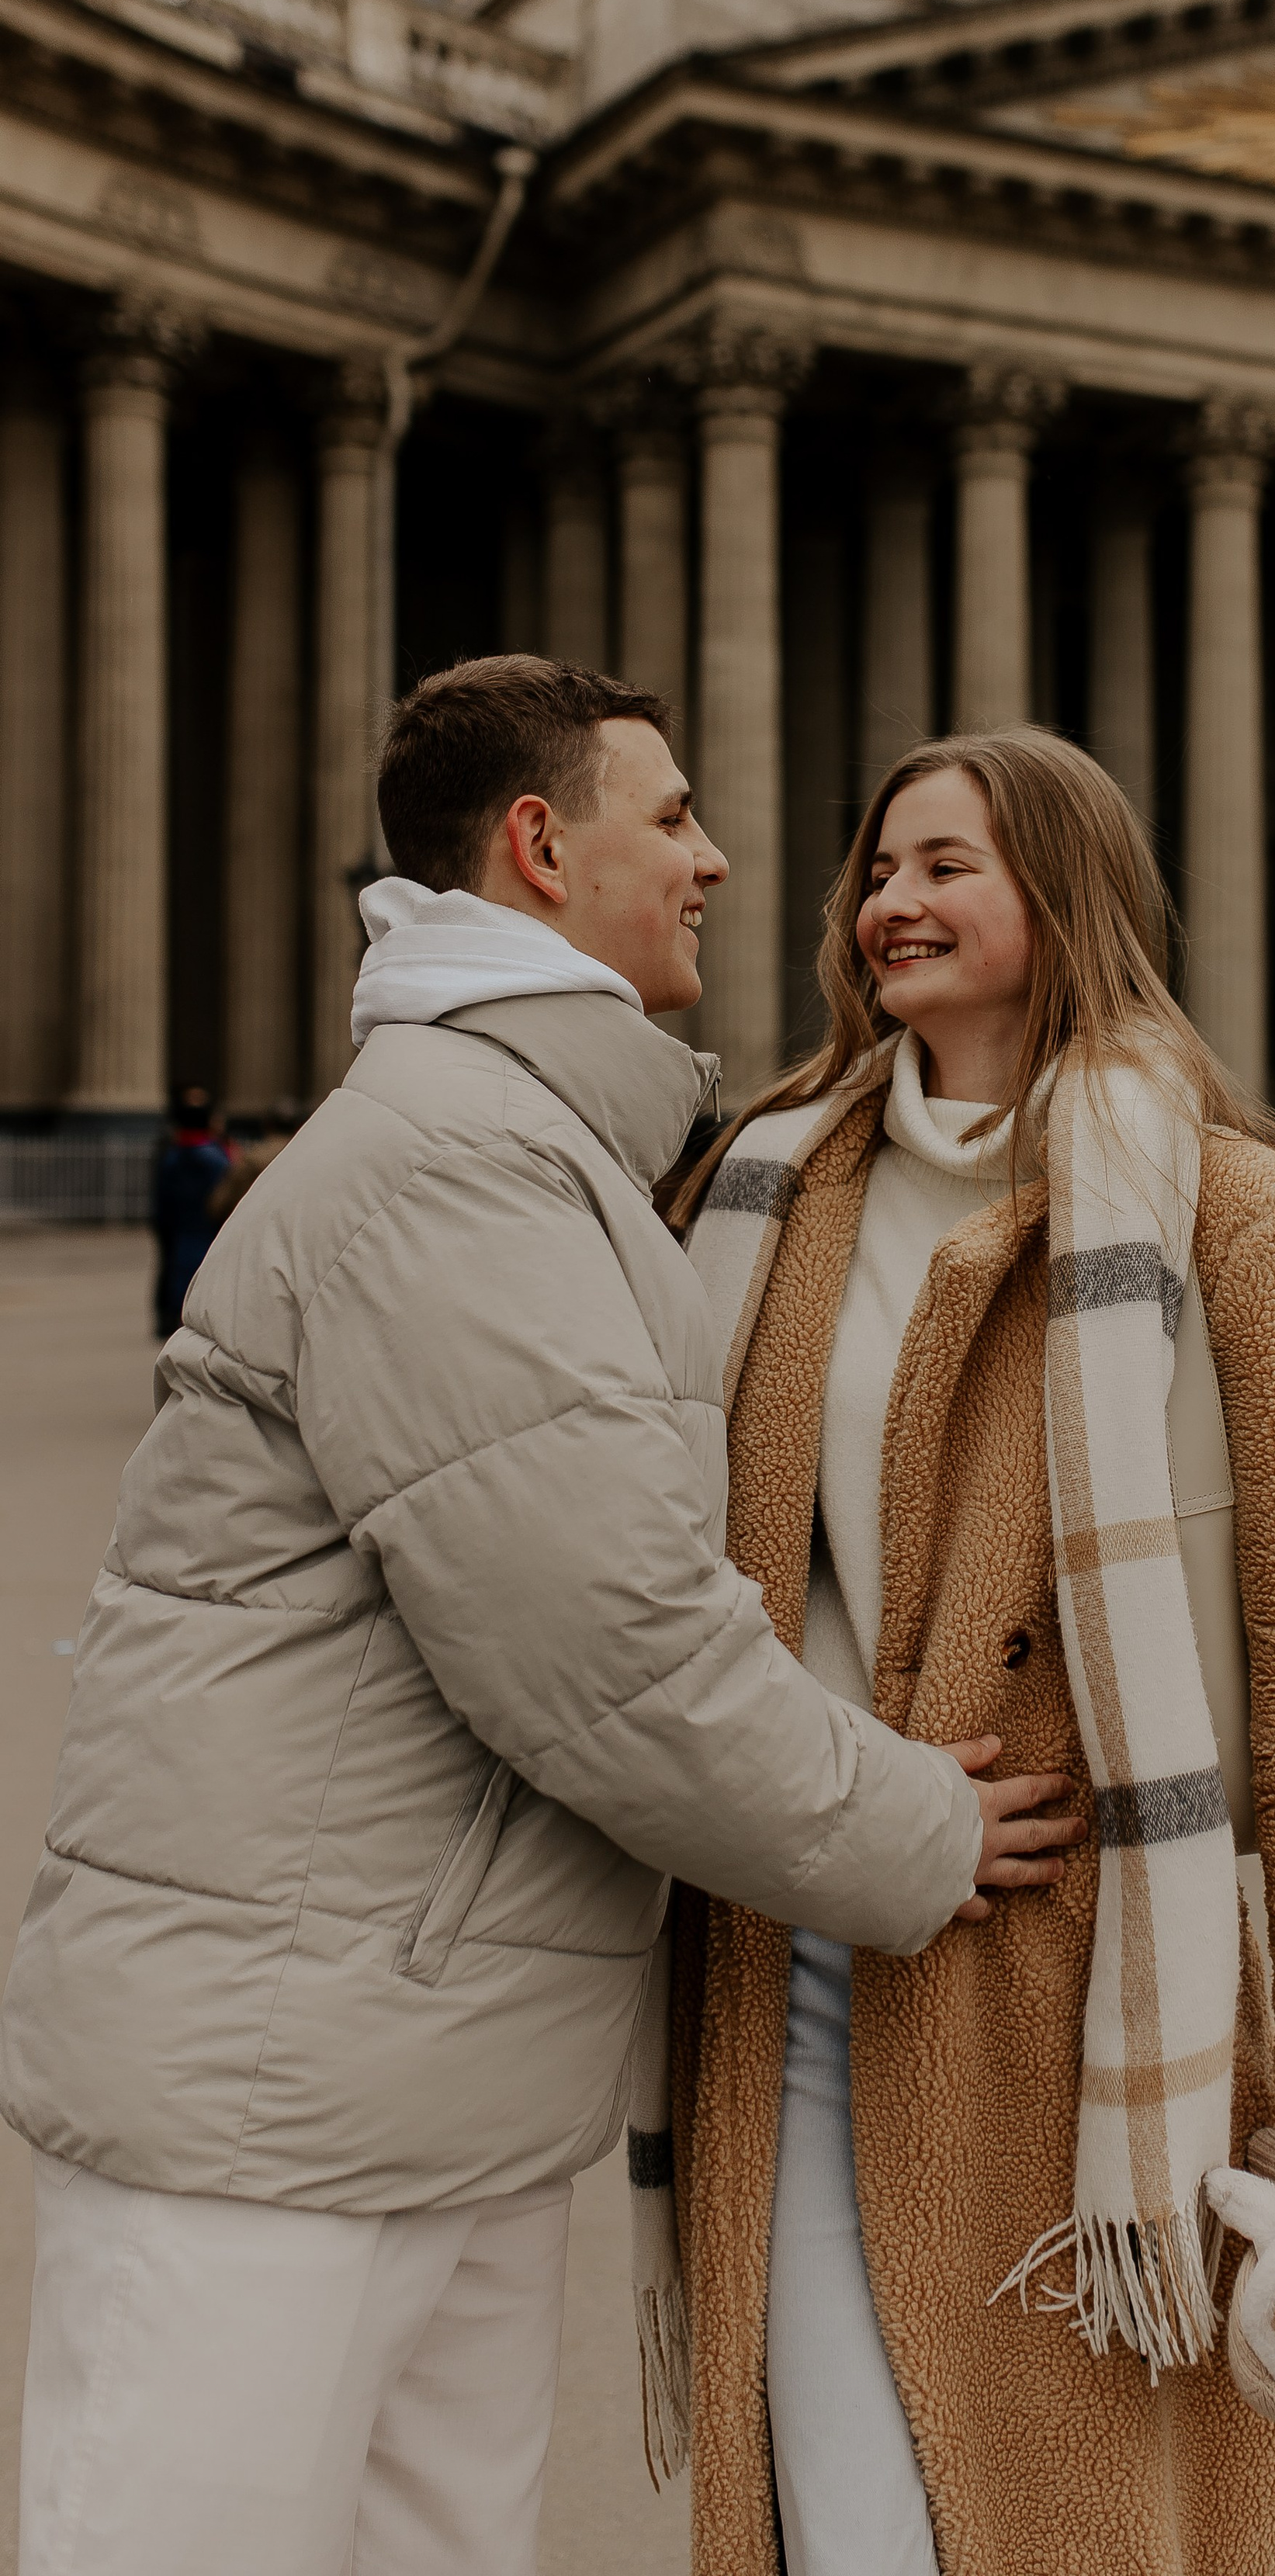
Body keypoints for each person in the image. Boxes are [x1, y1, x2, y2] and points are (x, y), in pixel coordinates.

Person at [2, 656, 1068, 2576]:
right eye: (668, 817)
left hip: (412, 2077)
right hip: (285, 2101)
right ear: (536, 843)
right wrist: (918, 1824)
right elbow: (613, 1657)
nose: (718, 858)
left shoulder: (528, 1147)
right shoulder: (458, 1163)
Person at [667, 727, 1275, 2576]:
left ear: (1060, 892)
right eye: (875, 869)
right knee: (845, 2518)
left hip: (1087, 1985)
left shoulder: (1220, 1207)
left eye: (946, 865)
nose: (890, 903)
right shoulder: (764, 1192)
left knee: (1060, 2521)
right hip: (799, 1952)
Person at [148, 1086, 232, 1335]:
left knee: (174, 1268)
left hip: (179, 1223)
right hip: (206, 1224)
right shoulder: (216, 1157)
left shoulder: (173, 1154)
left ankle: (170, 1316)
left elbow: (162, 1192)